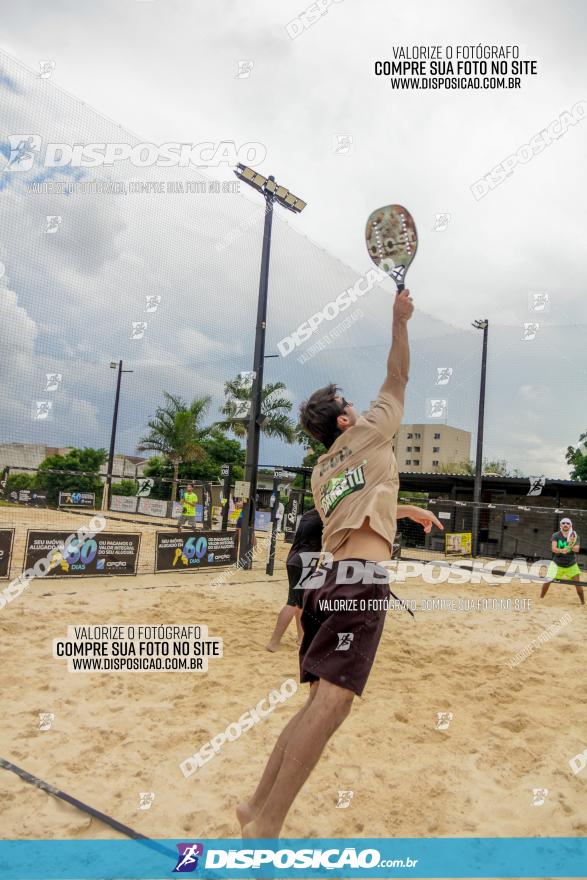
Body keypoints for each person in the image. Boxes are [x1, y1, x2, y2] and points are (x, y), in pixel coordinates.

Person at [237, 289, 442, 839]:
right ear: (347, 418)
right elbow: (397, 378)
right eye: (352, 405)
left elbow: (357, 507)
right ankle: (267, 826)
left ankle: (256, 807)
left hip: (325, 584)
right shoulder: (371, 432)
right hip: (360, 584)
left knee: (313, 706)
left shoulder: (321, 472)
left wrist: (404, 506)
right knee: (331, 708)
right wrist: (399, 322)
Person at [266, 507, 323, 653]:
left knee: (300, 601)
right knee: (292, 602)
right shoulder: (324, 517)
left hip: (293, 558)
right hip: (304, 562)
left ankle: (301, 637)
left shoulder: (308, 513)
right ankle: (274, 642)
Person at [540, 517, 584, 605]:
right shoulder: (556, 535)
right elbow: (553, 549)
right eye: (563, 523)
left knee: (578, 585)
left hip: (571, 564)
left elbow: (577, 549)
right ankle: (541, 598)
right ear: (560, 525)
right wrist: (562, 550)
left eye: (567, 523)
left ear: (570, 525)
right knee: (547, 581)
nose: (565, 525)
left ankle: (583, 602)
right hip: (557, 563)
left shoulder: (574, 536)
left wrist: (570, 545)